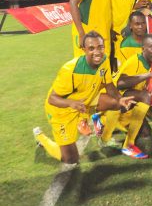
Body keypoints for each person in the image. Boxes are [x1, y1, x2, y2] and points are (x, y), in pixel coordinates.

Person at [33, 32, 135, 164]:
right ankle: (41, 138)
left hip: (85, 100)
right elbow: (52, 99)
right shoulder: (70, 70)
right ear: (84, 49)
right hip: (61, 111)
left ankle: (92, 122)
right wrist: (71, 103)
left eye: (100, 47)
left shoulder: (104, 60)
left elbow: (108, 84)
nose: (97, 52)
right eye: (91, 48)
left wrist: (119, 98)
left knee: (116, 103)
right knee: (70, 159)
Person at [100, 34, 152, 158]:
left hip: (128, 104)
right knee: (145, 96)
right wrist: (150, 75)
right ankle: (128, 145)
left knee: (146, 133)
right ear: (143, 48)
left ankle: (101, 121)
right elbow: (120, 84)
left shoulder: (151, 64)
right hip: (115, 101)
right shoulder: (135, 60)